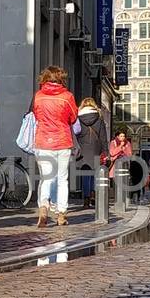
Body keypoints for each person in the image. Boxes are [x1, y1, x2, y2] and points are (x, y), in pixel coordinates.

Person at [31, 66, 78, 227]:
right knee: (62, 179)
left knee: (46, 178)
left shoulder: (38, 96)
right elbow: (73, 117)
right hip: (62, 141)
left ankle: (43, 208)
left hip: (43, 140)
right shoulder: (67, 96)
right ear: (61, 79)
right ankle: (61, 214)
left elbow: (37, 115)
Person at [73, 97, 108, 206]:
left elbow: (75, 132)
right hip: (96, 148)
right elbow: (103, 136)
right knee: (94, 173)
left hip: (83, 148)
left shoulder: (78, 117)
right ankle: (93, 194)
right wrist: (105, 151)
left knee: (85, 174)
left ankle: (86, 199)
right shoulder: (99, 118)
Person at [107, 128, 134, 206]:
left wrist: (123, 149)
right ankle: (117, 200)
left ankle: (124, 200)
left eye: (124, 136)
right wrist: (120, 148)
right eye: (121, 136)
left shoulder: (128, 143)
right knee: (116, 183)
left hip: (124, 165)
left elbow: (129, 154)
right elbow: (112, 153)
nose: (122, 138)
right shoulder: (113, 142)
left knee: (124, 182)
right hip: (115, 165)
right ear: (117, 136)